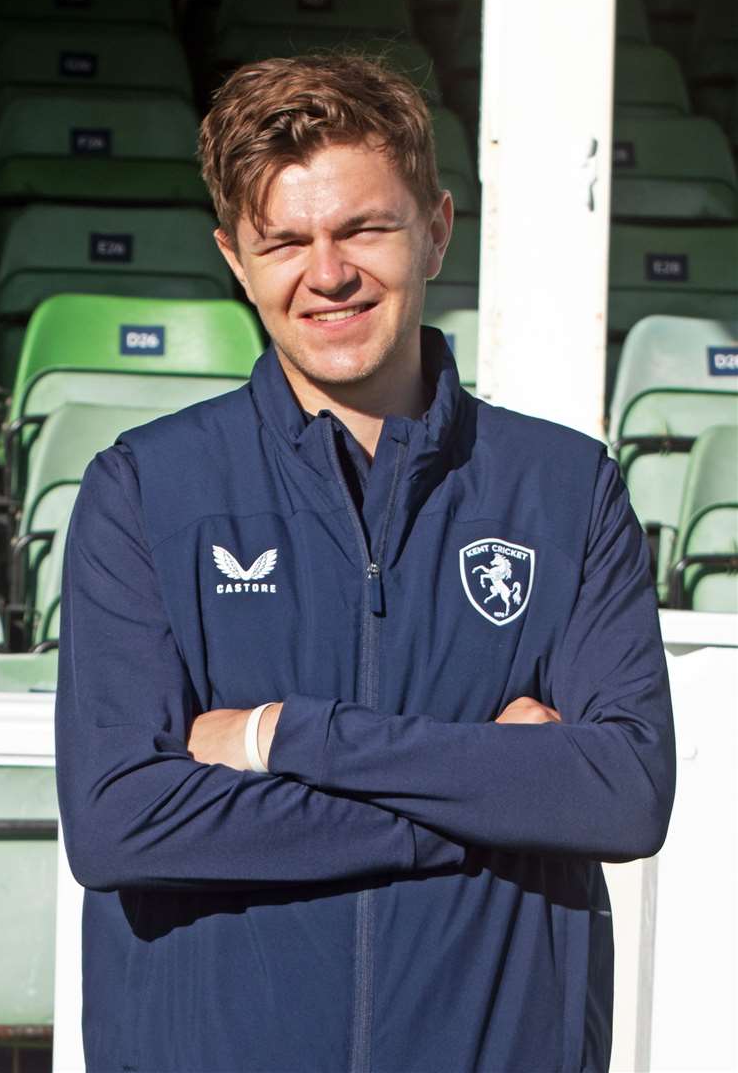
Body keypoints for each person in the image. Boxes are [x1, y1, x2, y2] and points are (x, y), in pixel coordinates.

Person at [54, 55, 675, 1071]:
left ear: (436, 226)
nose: (328, 272)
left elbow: (619, 792)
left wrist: (288, 735)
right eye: (285, 240)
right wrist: (489, 795)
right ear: (234, 258)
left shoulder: (566, 491)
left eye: (363, 229)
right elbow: (125, 821)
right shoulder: (145, 491)